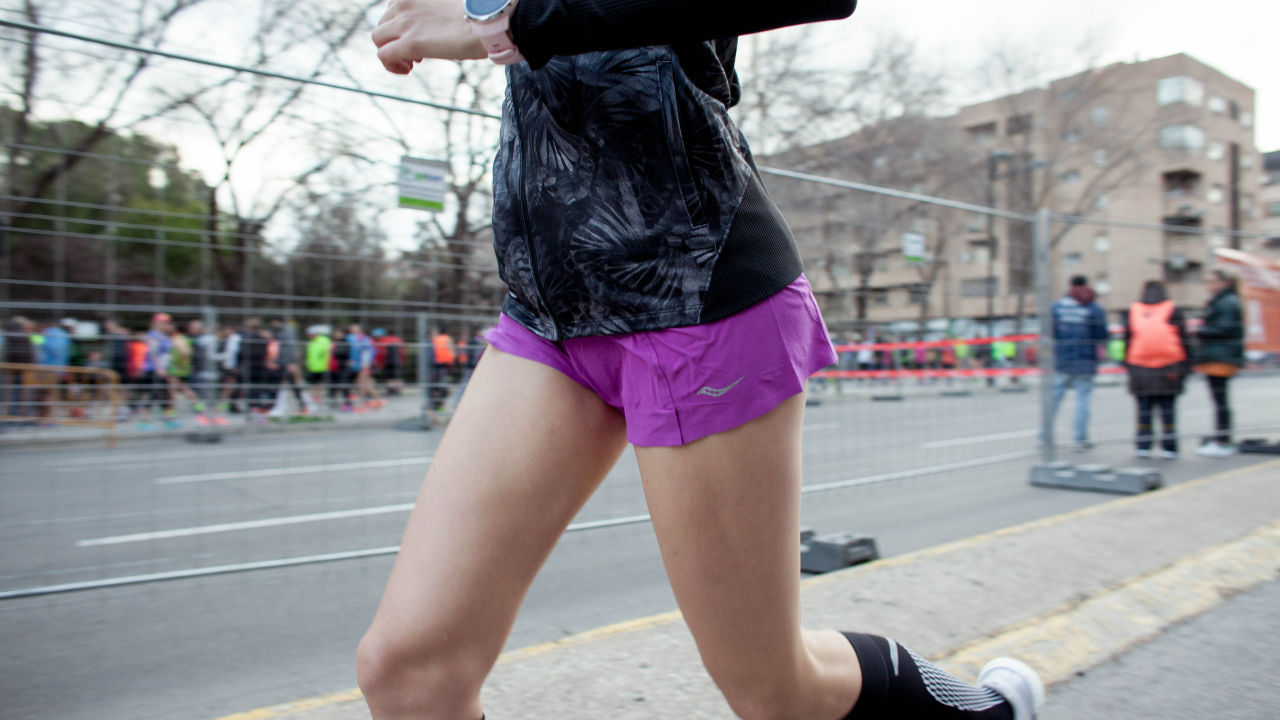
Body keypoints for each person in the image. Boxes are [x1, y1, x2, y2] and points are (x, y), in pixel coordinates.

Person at [361, 3, 1044, 720]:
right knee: (408, 672)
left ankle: (992, 713)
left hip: (697, 298)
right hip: (550, 311)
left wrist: (504, 20)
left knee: (776, 690)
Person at [1124, 280, 1189, 459]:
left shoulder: (1134, 310)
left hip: (1139, 367)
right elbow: (1184, 338)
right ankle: (1169, 446)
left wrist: (1127, 365)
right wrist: (1187, 366)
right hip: (1169, 366)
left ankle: (1143, 445)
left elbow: (1128, 339)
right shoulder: (1172, 308)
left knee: (1144, 409)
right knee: (1167, 409)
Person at [1042, 275, 1108, 451]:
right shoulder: (1093, 307)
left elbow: (1050, 331)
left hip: (1063, 358)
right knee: (1083, 401)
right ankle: (1080, 439)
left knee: (1054, 399)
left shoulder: (1058, 307)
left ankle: (1044, 437)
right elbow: (1102, 333)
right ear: (1086, 285)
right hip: (1086, 359)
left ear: (1070, 286)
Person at [1193, 268, 1245, 458]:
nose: (1209, 286)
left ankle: (1222, 440)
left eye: (1212, 281)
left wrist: (1200, 329)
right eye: (1207, 281)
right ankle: (1222, 439)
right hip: (1219, 355)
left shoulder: (1226, 302)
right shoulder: (1224, 300)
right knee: (1220, 400)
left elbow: (1224, 328)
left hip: (1220, 356)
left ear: (1225, 282)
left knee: (1220, 400)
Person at [305, 325, 333, 412]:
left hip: (323, 366)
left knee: (322, 384)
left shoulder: (324, 340)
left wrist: (328, 363)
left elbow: (329, 352)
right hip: (313, 367)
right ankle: (314, 399)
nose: (310, 335)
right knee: (313, 384)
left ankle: (320, 400)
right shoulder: (311, 342)